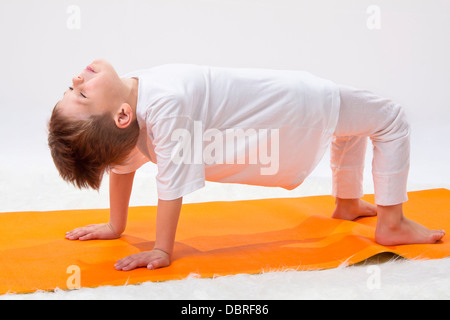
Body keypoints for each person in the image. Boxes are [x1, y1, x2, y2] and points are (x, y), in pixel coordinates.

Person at [48, 59, 445, 271]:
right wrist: (161, 250)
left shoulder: (132, 113)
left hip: (286, 105)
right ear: (120, 116)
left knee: (351, 128)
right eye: (81, 93)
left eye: (72, 89)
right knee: (390, 118)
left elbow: (123, 160)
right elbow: (170, 186)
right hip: (291, 109)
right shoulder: (164, 109)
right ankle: (391, 223)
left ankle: (347, 202)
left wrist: (117, 226)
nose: (76, 79)